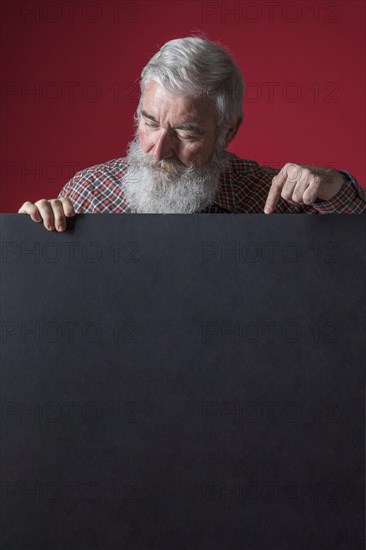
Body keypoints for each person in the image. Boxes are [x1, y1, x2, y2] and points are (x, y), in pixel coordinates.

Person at [18, 36, 366, 232]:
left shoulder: (266, 198)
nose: (157, 150)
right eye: (149, 122)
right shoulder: (89, 194)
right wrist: (26, 240)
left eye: (186, 133)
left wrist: (329, 185)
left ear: (228, 131)